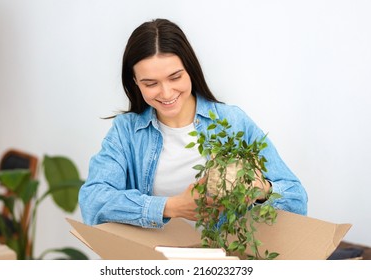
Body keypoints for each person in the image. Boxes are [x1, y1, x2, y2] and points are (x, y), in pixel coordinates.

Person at [78, 18, 308, 228]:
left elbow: (297, 200)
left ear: (190, 69)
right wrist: (172, 206)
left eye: (175, 77)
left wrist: (263, 191)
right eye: (150, 83)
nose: (166, 92)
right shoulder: (126, 131)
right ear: (135, 82)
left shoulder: (232, 122)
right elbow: (93, 201)